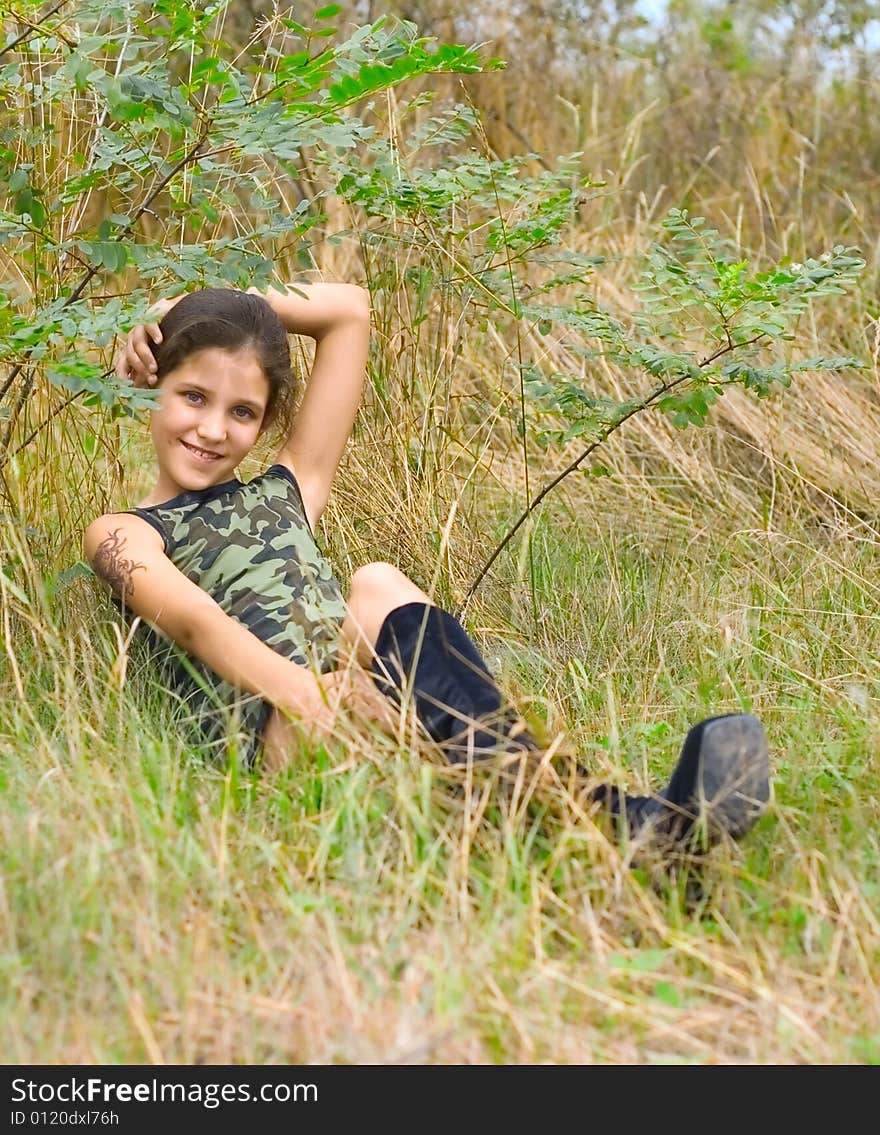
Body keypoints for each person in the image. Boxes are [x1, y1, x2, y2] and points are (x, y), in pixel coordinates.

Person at [84, 283, 770, 856]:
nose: (211, 429)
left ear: (265, 425)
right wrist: (311, 694)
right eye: (193, 396)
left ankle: (620, 832)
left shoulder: (287, 490)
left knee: (375, 584)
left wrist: (178, 303)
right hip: (277, 735)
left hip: (373, 708)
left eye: (241, 412)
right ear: (155, 385)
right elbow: (198, 623)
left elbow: (349, 309)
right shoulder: (122, 532)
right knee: (373, 612)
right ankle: (623, 825)